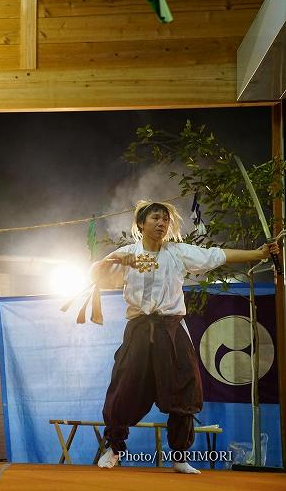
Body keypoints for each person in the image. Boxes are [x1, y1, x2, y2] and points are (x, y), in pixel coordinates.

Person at [91, 200, 280, 474]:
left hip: (172, 328)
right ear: (141, 224)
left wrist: (258, 253)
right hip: (139, 330)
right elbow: (95, 276)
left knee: (185, 388)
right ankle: (115, 447)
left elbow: (217, 255)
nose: (161, 223)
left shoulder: (178, 253)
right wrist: (113, 259)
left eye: (165, 220)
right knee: (124, 388)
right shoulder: (127, 253)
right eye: (155, 218)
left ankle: (179, 456)